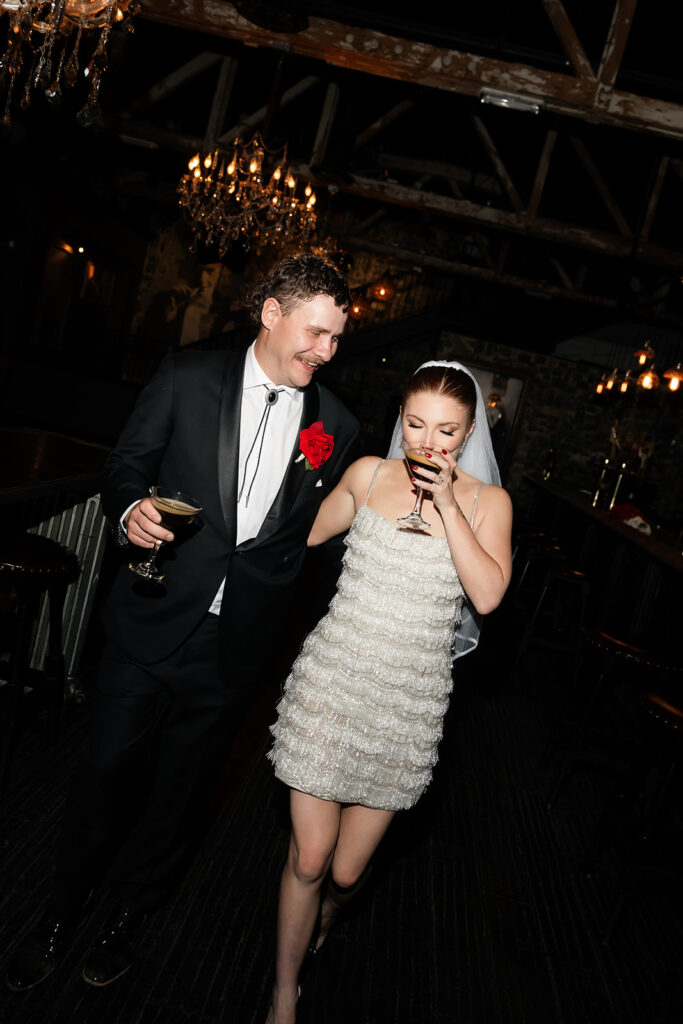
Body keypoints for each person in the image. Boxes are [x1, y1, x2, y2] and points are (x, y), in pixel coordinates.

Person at [6, 251, 359, 992]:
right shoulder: (187, 376)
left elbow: (304, 539)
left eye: (336, 339)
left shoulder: (338, 424)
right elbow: (125, 465)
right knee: (103, 775)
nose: (326, 352)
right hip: (149, 621)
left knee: (181, 797)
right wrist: (131, 506)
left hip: (233, 650)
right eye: (316, 333)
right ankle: (61, 913)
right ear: (271, 313)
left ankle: (126, 919)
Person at [265, 360, 513, 1023]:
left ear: (468, 434)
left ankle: (327, 918)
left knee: (345, 875)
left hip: (406, 700)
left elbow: (487, 595)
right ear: (398, 419)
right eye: (413, 425)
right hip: (332, 676)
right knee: (309, 858)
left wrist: (451, 502)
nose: (427, 444)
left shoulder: (491, 505)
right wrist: (295, 465)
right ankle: (284, 991)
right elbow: (295, 537)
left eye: (446, 432)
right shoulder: (369, 475)